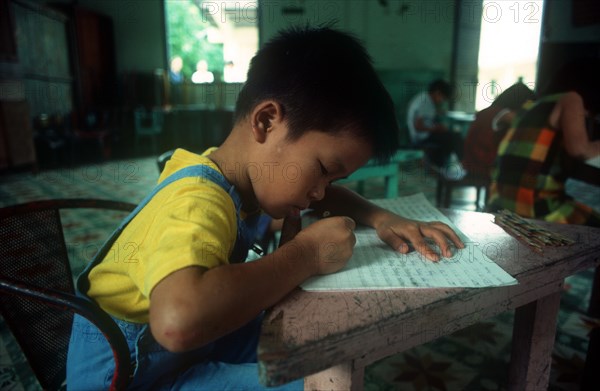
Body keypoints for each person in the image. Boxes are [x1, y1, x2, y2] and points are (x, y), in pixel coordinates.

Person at [67, 26, 464, 390]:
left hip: (185, 352)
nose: (320, 191)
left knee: (312, 343)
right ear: (267, 121)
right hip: (128, 377)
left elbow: (320, 194)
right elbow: (177, 322)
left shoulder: (239, 175)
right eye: (323, 169)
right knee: (316, 383)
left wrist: (381, 217)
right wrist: (304, 255)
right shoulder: (197, 201)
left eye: (332, 180)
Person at [487, 60, 600, 227]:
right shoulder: (571, 98)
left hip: (501, 206)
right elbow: (580, 150)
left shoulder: (529, 106)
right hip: (538, 210)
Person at [461, 82, 536, 178]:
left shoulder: (488, 111)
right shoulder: (504, 113)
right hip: (483, 166)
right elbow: (524, 123)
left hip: (470, 163)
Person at [406, 79, 464, 169]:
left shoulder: (424, 98)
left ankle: (440, 165)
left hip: (422, 135)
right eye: (443, 98)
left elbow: (426, 117)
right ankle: (463, 163)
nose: (442, 101)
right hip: (421, 137)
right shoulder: (425, 102)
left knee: (448, 138)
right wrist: (436, 129)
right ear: (437, 93)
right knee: (455, 138)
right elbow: (418, 126)